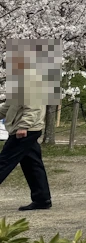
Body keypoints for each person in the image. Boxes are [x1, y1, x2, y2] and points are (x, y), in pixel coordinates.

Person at [0, 52, 53, 211]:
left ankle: (42, 198)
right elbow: (8, 107)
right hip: (26, 128)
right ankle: (42, 199)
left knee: (4, 161)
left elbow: (33, 107)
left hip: (25, 130)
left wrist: (23, 126)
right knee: (32, 165)